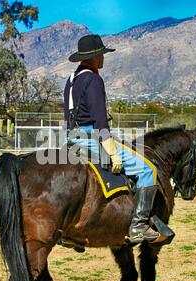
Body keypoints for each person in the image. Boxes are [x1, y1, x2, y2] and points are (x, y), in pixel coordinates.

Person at [63, 34, 160, 244]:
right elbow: (100, 121)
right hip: (92, 138)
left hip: (71, 139)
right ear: (97, 56)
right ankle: (138, 226)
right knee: (148, 170)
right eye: (102, 54)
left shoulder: (71, 80)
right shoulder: (94, 80)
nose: (104, 59)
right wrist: (113, 154)